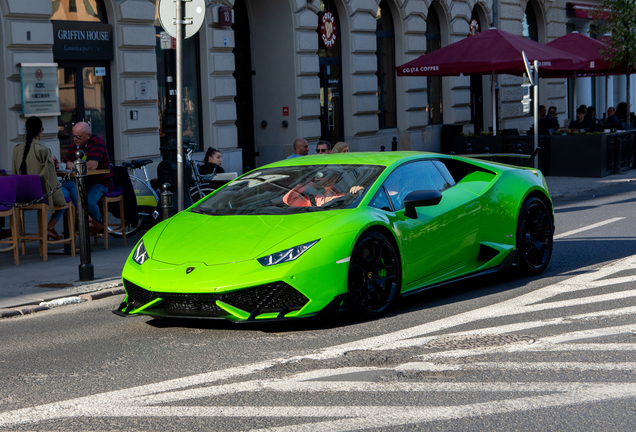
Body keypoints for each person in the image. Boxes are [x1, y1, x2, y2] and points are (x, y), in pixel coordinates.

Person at [11, 116, 75, 240]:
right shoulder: (43, 149)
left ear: (26, 129)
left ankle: (52, 228)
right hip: (41, 195)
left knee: (67, 189)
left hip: (21, 195)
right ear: (41, 130)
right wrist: (60, 201)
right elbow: (51, 179)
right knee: (69, 191)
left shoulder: (16, 149)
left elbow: (15, 173)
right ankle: (85, 220)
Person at [64, 121, 113, 234]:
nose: (75, 139)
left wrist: (73, 164)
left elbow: (92, 165)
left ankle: (98, 224)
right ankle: (84, 226)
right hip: (82, 182)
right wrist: (69, 163)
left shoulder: (97, 141)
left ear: (88, 135)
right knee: (66, 199)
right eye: (74, 135)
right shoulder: (74, 145)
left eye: (78, 137)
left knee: (88, 202)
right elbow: (67, 161)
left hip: (100, 181)